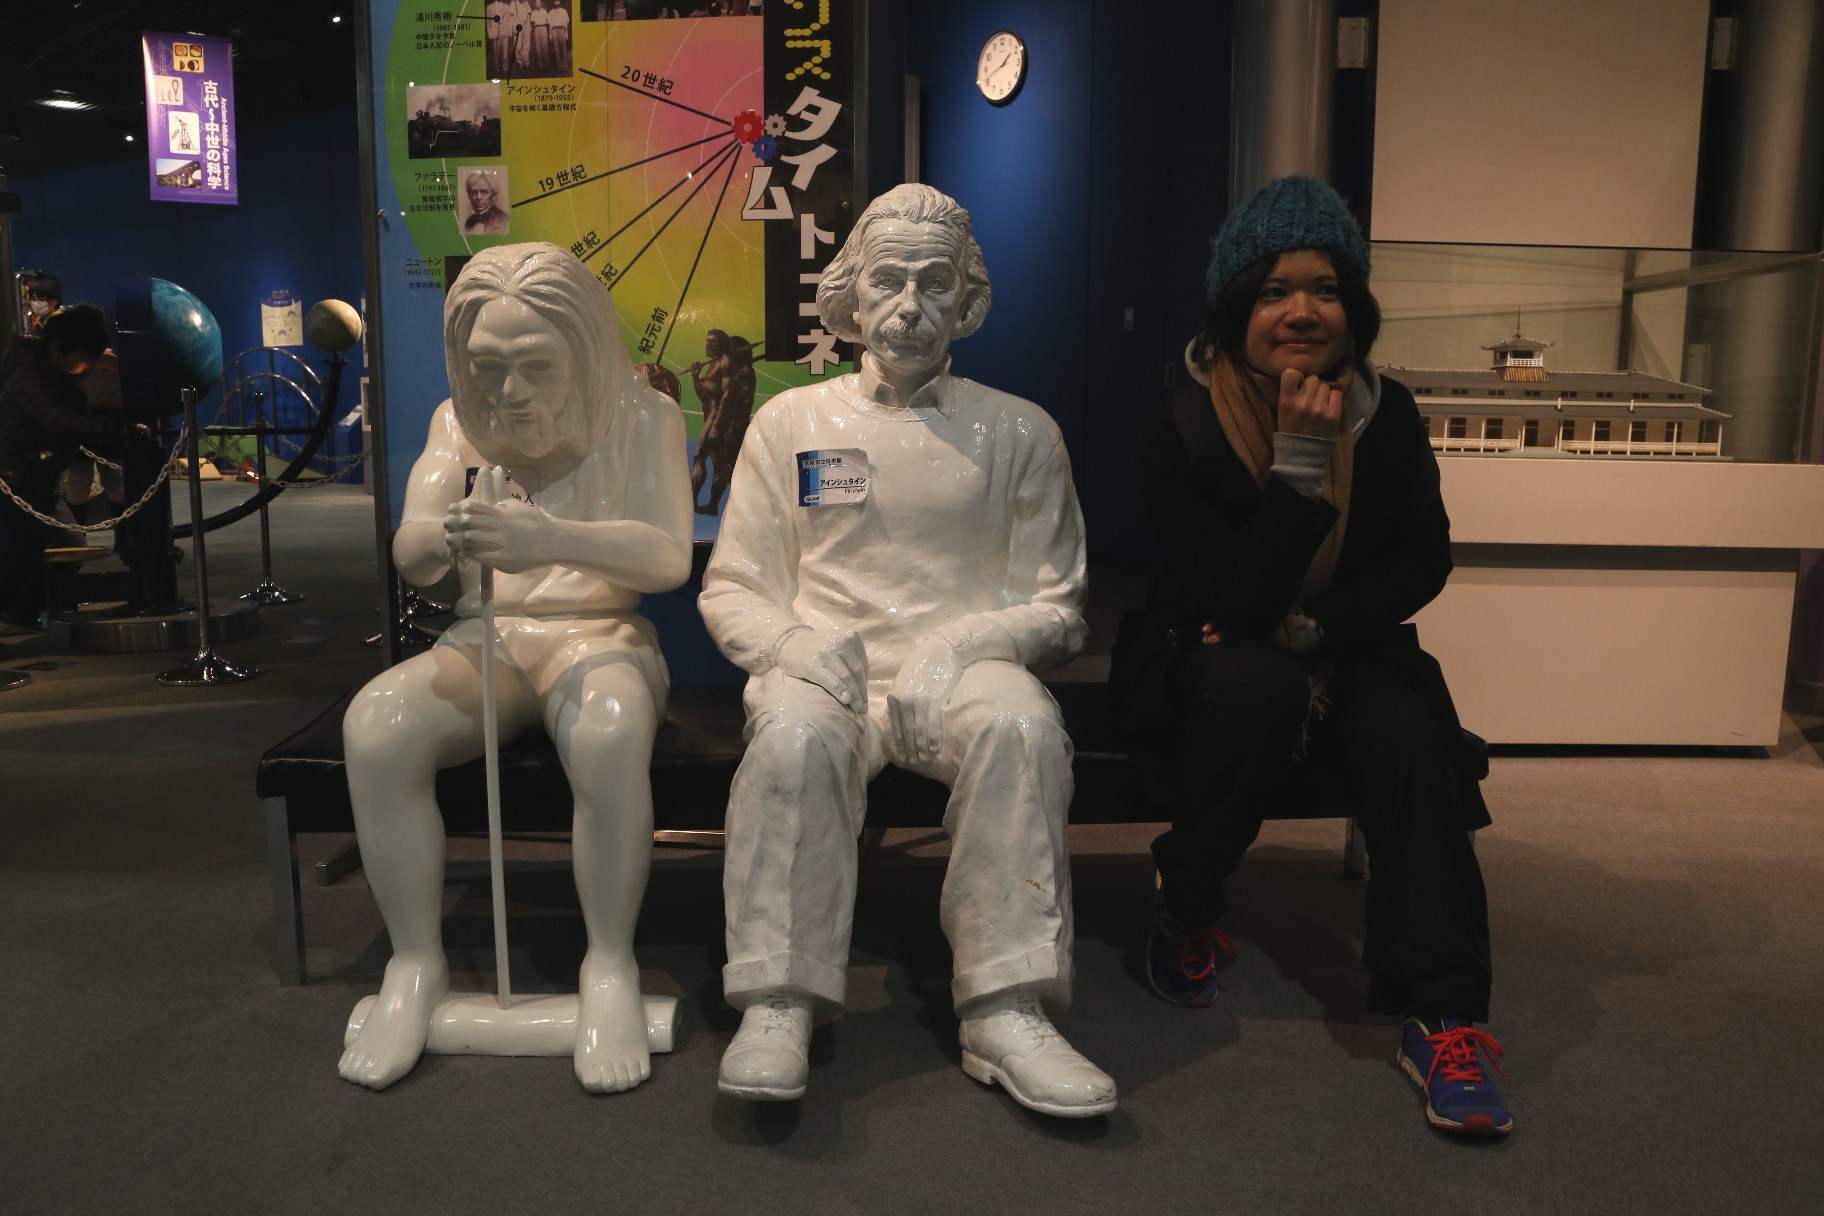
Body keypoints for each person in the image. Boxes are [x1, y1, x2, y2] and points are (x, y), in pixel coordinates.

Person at [698, 184, 1114, 1118]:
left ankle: (1007, 1004)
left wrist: (961, 644)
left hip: (963, 675)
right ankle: (780, 994)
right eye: (888, 280)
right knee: (795, 739)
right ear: (850, 292)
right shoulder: (791, 423)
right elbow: (733, 587)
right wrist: (794, 643)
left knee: (1021, 728)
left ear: (969, 298)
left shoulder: (1019, 430)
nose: (910, 306)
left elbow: (1058, 603)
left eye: (936, 282)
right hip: (829, 670)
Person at [1110, 175, 1511, 1137]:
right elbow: (1233, 605)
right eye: (1274, 290)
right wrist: (1298, 462)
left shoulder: (1387, 413)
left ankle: (1443, 1015)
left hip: (1347, 642)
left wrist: (1318, 629)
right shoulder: (1180, 431)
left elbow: (1423, 557)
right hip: (1199, 657)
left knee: (1408, 732)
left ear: (1354, 307)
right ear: (1235, 308)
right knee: (1254, 685)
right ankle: (1188, 903)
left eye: (1325, 288)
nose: (1301, 311)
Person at [336, 242, 692, 1094]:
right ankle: (415, 963)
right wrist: (440, 536)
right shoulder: (456, 423)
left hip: (601, 634)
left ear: (585, 349)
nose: (509, 391)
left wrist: (551, 539)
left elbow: (667, 557)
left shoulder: (645, 416)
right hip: (486, 640)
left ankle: (609, 963)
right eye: (487, 367)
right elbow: (413, 552)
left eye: (537, 366)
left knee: (609, 732)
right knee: (376, 725)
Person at [0, 304, 126, 630]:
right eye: (85, 357)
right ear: (57, 350)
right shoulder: (27, 374)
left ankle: (30, 605)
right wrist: (113, 428)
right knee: (23, 548)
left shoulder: (58, 375)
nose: (90, 365)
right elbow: (57, 420)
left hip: (40, 479)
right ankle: (18, 610)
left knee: (70, 544)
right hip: (14, 478)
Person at [685, 328, 755, 514]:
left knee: (709, 459)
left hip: (724, 422)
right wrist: (695, 377)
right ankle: (716, 504)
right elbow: (706, 395)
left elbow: (728, 398)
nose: (708, 345)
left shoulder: (732, 367)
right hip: (716, 419)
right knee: (719, 465)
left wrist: (718, 426)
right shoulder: (717, 365)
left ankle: (695, 503)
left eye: (713, 341)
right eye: (707, 341)